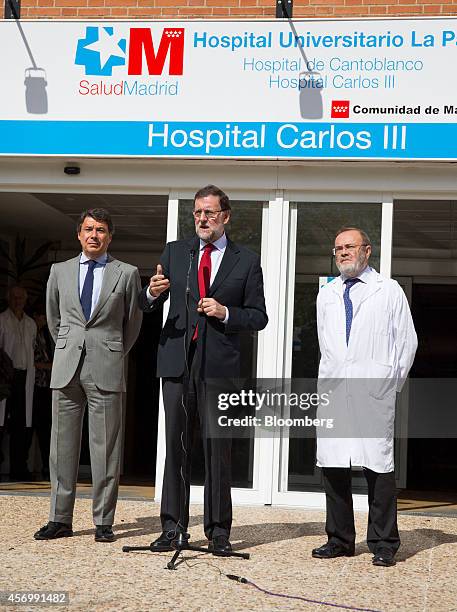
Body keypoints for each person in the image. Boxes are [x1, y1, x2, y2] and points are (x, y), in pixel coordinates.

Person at [139, 185, 268, 554]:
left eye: (209, 213)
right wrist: (151, 292)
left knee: (218, 449)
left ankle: (218, 531)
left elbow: (259, 317)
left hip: (219, 367)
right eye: (197, 213)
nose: (202, 219)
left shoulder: (246, 260)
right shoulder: (176, 252)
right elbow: (149, 304)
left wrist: (225, 312)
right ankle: (172, 527)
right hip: (178, 362)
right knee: (176, 447)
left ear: (225, 216)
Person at [34, 208, 142, 543]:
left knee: (106, 448)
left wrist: (111, 352)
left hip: (106, 367)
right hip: (67, 367)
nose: (94, 235)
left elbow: (133, 324)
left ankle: (103, 521)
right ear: (79, 234)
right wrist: (69, 347)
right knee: (61, 447)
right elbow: (55, 321)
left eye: (101, 230)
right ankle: (59, 519)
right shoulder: (59, 271)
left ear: (110, 236)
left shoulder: (126, 273)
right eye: (88, 229)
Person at [312, 226, 417, 567]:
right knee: (334, 466)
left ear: (367, 251)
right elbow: (325, 344)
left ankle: (384, 542)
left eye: (350, 247)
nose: (343, 252)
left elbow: (407, 342)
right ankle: (339, 539)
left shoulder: (388, 291)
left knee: (378, 466)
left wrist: (390, 384)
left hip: (373, 391)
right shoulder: (326, 294)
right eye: (338, 247)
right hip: (335, 390)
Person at [0, 286, 36, 480]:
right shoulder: (2, 320)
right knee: (1, 423)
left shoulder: (30, 323)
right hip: (5, 377)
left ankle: (19, 468)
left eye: (21, 297)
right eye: (14, 297)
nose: (17, 301)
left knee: (21, 425)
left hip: (24, 377)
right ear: (8, 299)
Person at [32, 304, 54, 480]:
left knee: (46, 428)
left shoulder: (46, 335)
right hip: (33, 384)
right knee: (31, 426)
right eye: (41, 316)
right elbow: (30, 360)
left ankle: (47, 466)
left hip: (46, 385)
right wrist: (50, 367)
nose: (44, 320)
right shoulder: (31, 334)